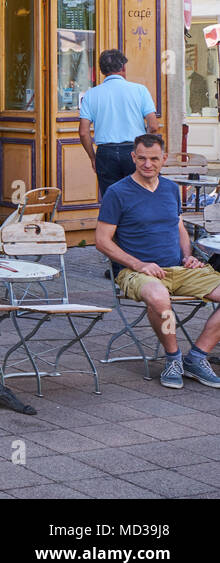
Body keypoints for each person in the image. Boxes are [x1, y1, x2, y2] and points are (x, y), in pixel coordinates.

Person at [94, 133, 220, 389]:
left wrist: (188, 256)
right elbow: (102, 241)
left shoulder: (171, 189)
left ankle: (197, 357)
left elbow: (179, 228)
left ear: (163, 159)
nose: (147, 164)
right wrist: (139, 264)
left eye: (153, 159)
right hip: (135, 272)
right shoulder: (117, 193)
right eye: (141, 158)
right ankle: (173, 358)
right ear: (133, 157)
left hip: (177, 268)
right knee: (160, 297)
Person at [79, 48, 159, 200]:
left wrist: (93, 157)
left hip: (105, 153)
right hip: (134, 151)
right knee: (138, 197)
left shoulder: (91, 94)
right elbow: (153, 126)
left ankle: (114, 224)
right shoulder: (139, 90)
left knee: (112, 201)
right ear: (123, 67)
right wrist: (145, 149)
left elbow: (83, 132)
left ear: (102, 70)